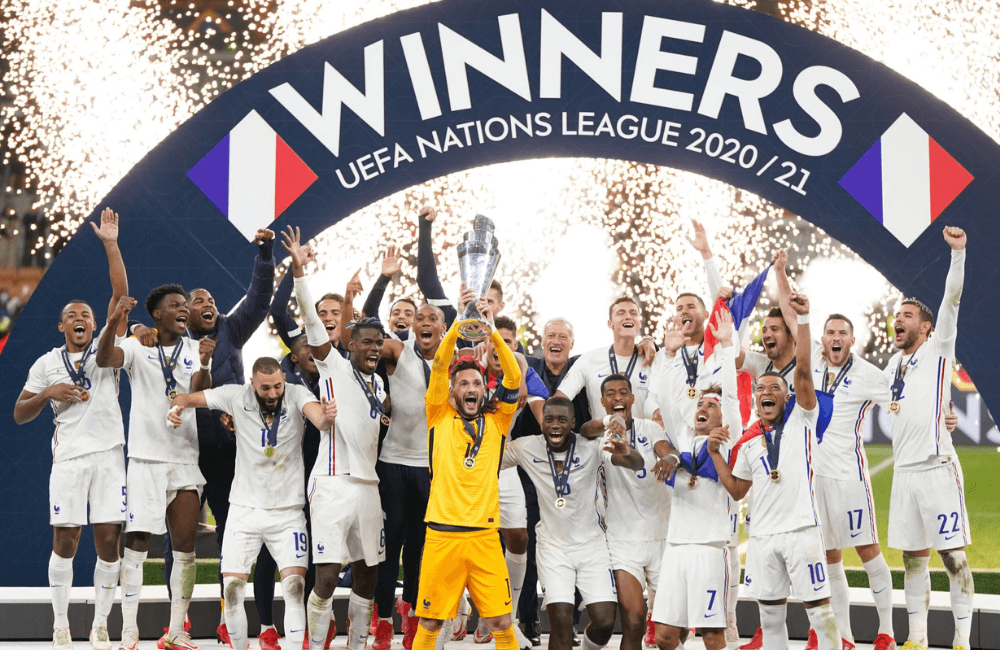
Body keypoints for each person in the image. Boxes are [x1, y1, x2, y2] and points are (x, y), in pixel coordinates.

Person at [14, 208, 129, 650]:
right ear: (62, 325)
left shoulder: (108, 349)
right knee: (66, 539)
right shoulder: (45, 363)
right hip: (69, 459)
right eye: (71, 315)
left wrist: (111, 245)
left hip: (108, 456)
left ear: (95, 324)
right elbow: (20, 413)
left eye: (86, 314)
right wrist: (49, 394)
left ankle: (100, 624)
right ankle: (61, 624)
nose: (80, 318)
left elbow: (120, 294)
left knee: (107, 540)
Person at [166, 357, 338, 650]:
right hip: (243, 511)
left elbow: (318, 418)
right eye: (265, 388)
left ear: (284, 380)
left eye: (277, 386)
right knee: (232, 589)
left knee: (294, 589)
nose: (273, 394)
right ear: (253, 384)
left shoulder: (296, 394)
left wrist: (327, 417)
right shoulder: (235, 395)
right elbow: (187, 398)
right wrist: (175, 407)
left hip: (288, 512)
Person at [708, 292, 841, 650]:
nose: (766, 390)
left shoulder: (803, 418)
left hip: (802, 532)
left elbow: (801, 371)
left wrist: (806, 318)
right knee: (770, 618)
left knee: (820, 615)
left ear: (788, 397)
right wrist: (715, 454)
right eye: (761, 388)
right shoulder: (750, 440)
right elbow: (737, 490)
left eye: (774, 388)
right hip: (763, 538)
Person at [164, 228, 275, 645]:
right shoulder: (168, 343)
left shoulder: (230, 328)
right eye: (199, 301)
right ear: (182, 313)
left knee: (235, 534)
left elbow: (260, 298)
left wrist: (264, 253)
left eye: (211, 301)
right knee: (178, 539)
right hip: (184, 453)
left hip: (230, 454)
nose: (209, 305)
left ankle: (232, 620)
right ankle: (179, 621)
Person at [282, 226, 387, 650]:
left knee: (370, 572)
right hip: (331, 484)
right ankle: (318, 638)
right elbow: (312, 321)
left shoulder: (379, 385)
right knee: (326, 575)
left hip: (368, 487)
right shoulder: (335, 368)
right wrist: (299, 273)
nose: (374, 348)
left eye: (378, 343)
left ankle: (357, 642)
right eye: (365, 342)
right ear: (350, 343)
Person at [95, 285, 215, 650]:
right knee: (137, 545)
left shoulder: (196, 349)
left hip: (185, 458)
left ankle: (176, 629)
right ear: (157, 315)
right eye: (175, 305)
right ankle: (129, 628)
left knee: (186, 548)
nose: (183, 309)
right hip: (146, 459)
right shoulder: (137, 345)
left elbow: (202, 392)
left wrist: (207, 363)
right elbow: (103, 360)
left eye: (185, 305)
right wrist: (118, 321)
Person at [409, 299, 522, 650]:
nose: (471, 388)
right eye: (463, 383)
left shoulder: (498, 421)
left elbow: (514, 376)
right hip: (442, 538)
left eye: (476, 382)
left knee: (503, 622)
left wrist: (492, 332)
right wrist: (458, 324)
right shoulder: (438, 415)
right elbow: (441, 363)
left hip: (486, 538)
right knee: (429, 621)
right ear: (453, 390)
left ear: (483, 389)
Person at [883, 226, 973, 650]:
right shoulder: (891, 367)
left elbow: (951, 298)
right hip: (904, 475)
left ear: (926, 325)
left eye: (907, 315)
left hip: (937, 470)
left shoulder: (939, 348)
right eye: (896, 315)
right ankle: (915, 639)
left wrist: (958, 254)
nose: (898, 320)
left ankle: (961, 640)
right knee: (911, 560)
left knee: (953, 559)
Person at [502, 396, 641, 650]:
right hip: (553, 547)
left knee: (604, 622)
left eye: (562, 420)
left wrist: (627, 453)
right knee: (561, 621)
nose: (555, 425)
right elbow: (489, 461)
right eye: (549, 419)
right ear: (541, 422)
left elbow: (636, 464)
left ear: (573, 423)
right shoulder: (526, 447)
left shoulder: (592, 446)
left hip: (593, 546)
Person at [652, 310, 741, 650]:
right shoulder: (683, 441)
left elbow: (730, 398)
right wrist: (670, 354)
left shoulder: (725, 442)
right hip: (675, 547)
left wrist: (728, 346)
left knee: (713, 635)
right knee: (665, 637)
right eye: (700, 403)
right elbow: (669, 401)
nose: (704, 407)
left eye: (711, 405)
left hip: (709, 547)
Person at [809, 314, 896, 650]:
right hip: (817, 478)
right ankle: (844, 637)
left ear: (852, 340)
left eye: (842, 333)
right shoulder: (814, 359)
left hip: (850, 477)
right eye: (830, 332)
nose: (836, 337)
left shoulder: (867, 374)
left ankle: (885, 631)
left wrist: (942, 412)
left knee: (867, 550)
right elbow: (792, 318)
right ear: (822, 339)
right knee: (830, 556)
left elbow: (899, 401)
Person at [371, 304, 448, 650]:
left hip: (430, 469)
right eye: (421, 319)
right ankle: (384, 621)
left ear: (443, 328)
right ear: (412, 327)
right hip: (393, 462)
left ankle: (413, 615)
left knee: (418, 550)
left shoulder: (454, 362)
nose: (426, 323)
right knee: (391, 548)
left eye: (433, 318)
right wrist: (378, 285)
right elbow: (359, 337)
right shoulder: (398, 352)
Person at [580, 374, 671, 650]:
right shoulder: (599, 438)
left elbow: (664, 451)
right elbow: (627, 458)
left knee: (672, 632)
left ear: (633, 398)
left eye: (623, 392)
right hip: (623, 541)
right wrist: (613, 430)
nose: (617, 397)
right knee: (634, 620)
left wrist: (670, 458)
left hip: (662, 537)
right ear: (602, 402)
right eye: (610, 393)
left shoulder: (650, 428)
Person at [516, 318, 589, 646]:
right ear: (541, 341)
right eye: (550, 336)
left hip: (572, 472)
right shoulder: (528, 364)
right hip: (530, 472)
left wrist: (650, 346)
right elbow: (506, 350)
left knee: (571, 542)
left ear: (572, 345)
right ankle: (528, 617)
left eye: (563, 336)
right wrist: (518, 366)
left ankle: (570, 621)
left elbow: (618, 353)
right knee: (530, 542)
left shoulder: (581, 367)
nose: (556, 341)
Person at [555, 296, 656, 420]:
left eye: (633, 313)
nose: (628, 316)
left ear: (639, 323)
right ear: (610, 323)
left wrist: (649, 339)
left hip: (642, 438)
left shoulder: (652, 359)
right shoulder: (589, 360)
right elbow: (559, 400)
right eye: (621, 313)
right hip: (602, 438)